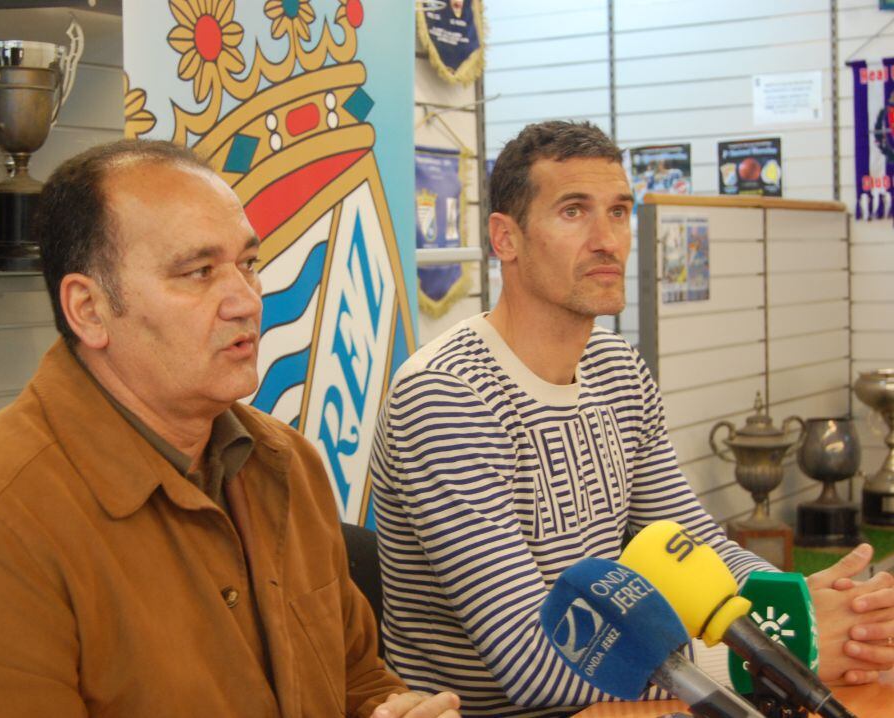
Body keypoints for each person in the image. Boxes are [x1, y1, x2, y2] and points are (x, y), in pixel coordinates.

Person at [0, 140, 461, 718]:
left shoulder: (284, 463)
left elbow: (356, 676)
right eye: (199, 272)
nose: (246, 300)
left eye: (247, 264)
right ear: (89, 310)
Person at [369, 120, 894, 716]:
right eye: (574, 212)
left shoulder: (616, 365)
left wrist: (806, 606)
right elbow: (535, 664)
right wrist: (775, 653)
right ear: (506, 238)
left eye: (618, 212)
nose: (607, 241)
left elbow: (694, 546)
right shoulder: (446, 396)